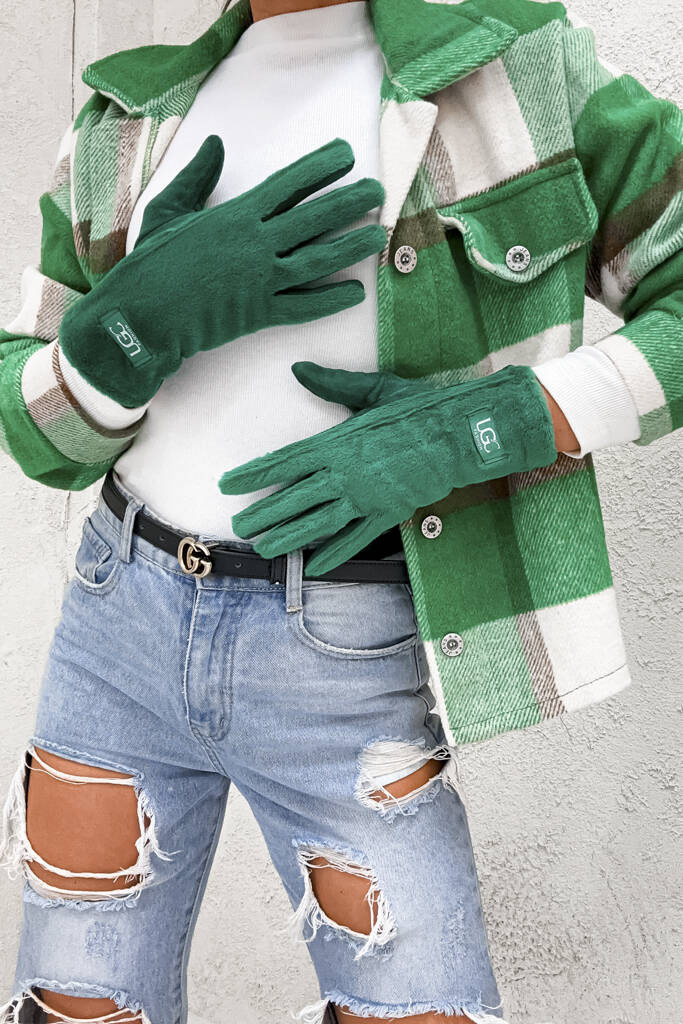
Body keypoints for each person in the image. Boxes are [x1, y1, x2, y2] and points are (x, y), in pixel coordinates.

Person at [0, 0, 680, 1021]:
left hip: (343, 654)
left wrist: (479, 427)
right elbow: (35, 433)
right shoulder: (123, 115)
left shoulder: (516, 63)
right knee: (76, 1006)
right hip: (114, 626)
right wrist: (128, 327)